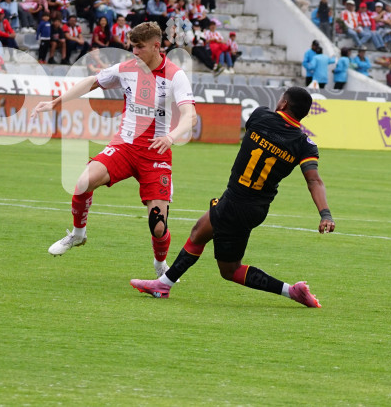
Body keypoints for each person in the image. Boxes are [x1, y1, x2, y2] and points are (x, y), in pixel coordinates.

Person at [130, 87, 334, 308]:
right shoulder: (304, 145)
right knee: (208, 242)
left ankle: (162, 286)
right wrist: (325, 214)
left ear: (283, 104)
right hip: (257, 207)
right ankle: (292, 291)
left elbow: (253, 135)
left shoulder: (260, 116)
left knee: (221, 259)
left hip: (237, 201)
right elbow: (314, 180)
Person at [31, 22, 198, 280]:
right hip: (124, 146)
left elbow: (190, 116)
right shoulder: (126, 69)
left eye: (139, 47)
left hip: (156, 152)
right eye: (132, 47)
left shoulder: (175, 75)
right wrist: (55, 102)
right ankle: (78, 235)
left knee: (157, 226)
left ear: (156, 46)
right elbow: (92, 82)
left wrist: (171, 137)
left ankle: (159, 265)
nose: (134, 52)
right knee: (83, 182)